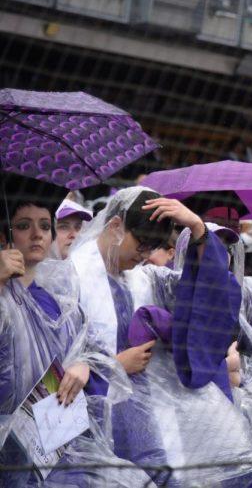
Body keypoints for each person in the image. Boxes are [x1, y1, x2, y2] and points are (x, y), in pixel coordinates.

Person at [67, 186, 252, 486]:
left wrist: (198, 230)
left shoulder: (145, 278)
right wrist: (113, 365)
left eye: (152, 248)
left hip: (146, 421)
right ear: (116, 226)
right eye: (142, 244)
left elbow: (202, 297)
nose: (145, 256)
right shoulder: (71, 277)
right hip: (88, 420)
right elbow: (55, 359)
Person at [0, 183, 151, 486]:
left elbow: (87, 349)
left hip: (56, 444)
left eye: (44, 225)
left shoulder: (60, 301)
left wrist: (83, 365)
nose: (37, 234)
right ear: (5, 237)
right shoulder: (4, 298)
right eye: (23, 226)